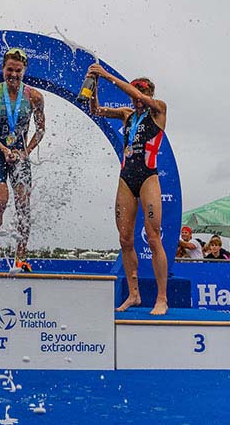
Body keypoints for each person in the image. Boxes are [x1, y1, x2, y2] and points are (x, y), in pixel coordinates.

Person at [87, 63, 169, 315]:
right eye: (135, 94)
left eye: (141, 94)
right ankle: (134, 295)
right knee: (124, 239)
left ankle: (162, 298)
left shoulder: (159, 109)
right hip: (126, 177)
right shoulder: (127, 114)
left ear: (149, 94)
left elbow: (138, 95)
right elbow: (96, 110)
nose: (136, 99)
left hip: (148, 177)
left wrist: (107, 75)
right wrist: (94, 84)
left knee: (153, 238)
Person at [0, 48, 45, 272]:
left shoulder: (35, 97)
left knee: (23, 204)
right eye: (10, 70)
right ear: (3, 69)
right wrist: (4, 149)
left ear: (24, 71)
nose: (14, 75)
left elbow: (41, 130)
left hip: (20, 155)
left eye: (18, 70)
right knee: (1, 200)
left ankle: (21, 257)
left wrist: (26, 152)